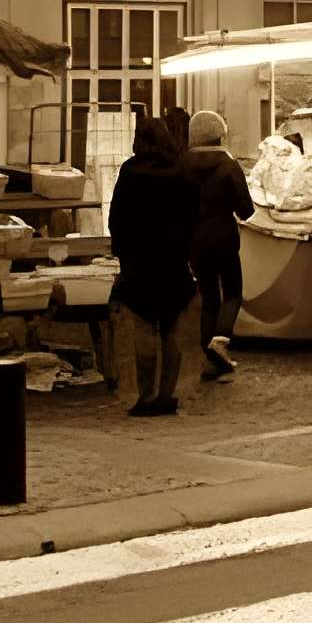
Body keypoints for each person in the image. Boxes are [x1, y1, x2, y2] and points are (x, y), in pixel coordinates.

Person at [108, 114, 200, 415]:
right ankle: (166, 394)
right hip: (174, 260)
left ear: (140, 140)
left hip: (139, 261)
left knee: (144, 329)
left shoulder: (130, 172)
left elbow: (117, 217)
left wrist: (121, 254)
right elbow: (193, 215)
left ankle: (146, 396)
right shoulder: (182, 171)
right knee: (172, 330)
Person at [183, 107, 254, 380]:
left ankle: (209, 357)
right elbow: (246, 209)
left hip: (195, 241)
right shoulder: (228, 165)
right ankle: (221, 340)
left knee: (209, 295)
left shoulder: (183, 166)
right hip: (224, 237)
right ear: (220, 135)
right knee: (233, 291)